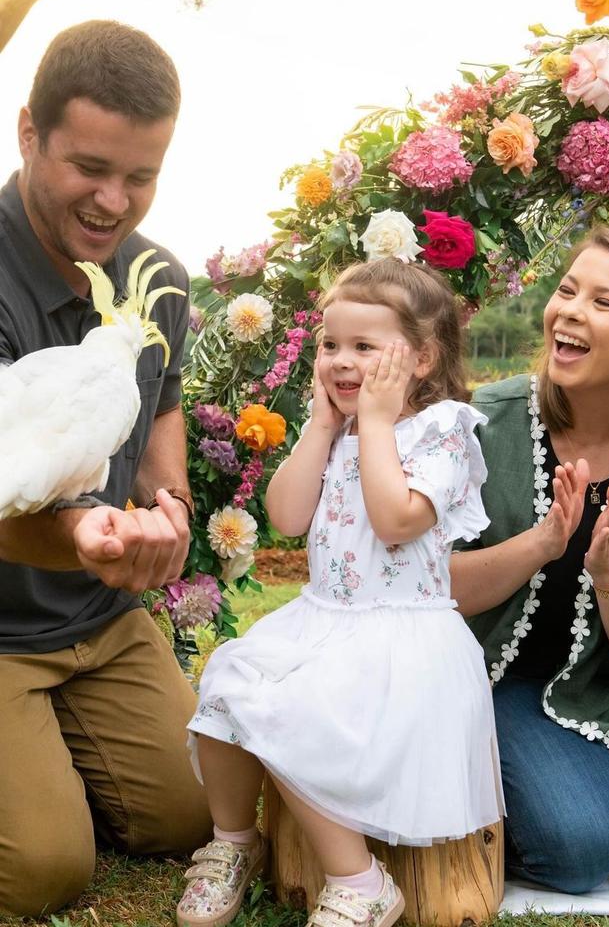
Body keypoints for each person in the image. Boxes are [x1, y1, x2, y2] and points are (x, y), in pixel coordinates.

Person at [177, 259, 505, 927]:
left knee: (299, 715)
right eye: (330, 346)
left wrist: (377, 426)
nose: (341, 361)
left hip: (400, 638)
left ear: (423, 357)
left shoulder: (441, 430)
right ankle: (235, 842)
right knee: (228, 680)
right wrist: (323, 429)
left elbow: (395, 521)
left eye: (365, 347)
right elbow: (288, 518)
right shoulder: (341, 430)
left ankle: (359, 881)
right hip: (323, 622)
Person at [0, 20, 212, 917]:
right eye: (90, 167)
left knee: (196, 817)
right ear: (28, 134)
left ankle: (45, 759)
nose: (114, 201)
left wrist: (168, 512)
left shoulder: (156, 274)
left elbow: (161, 411)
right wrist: (85, 538)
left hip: (104, 620)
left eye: (142, 176)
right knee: (45, 872)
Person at [452, 225, 609, 894]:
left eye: (604, 302)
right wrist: (539, 544)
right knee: (579, 847)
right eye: (567, 290)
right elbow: (426, 588)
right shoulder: (483, 423)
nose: (570, 310)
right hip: (494, 683)